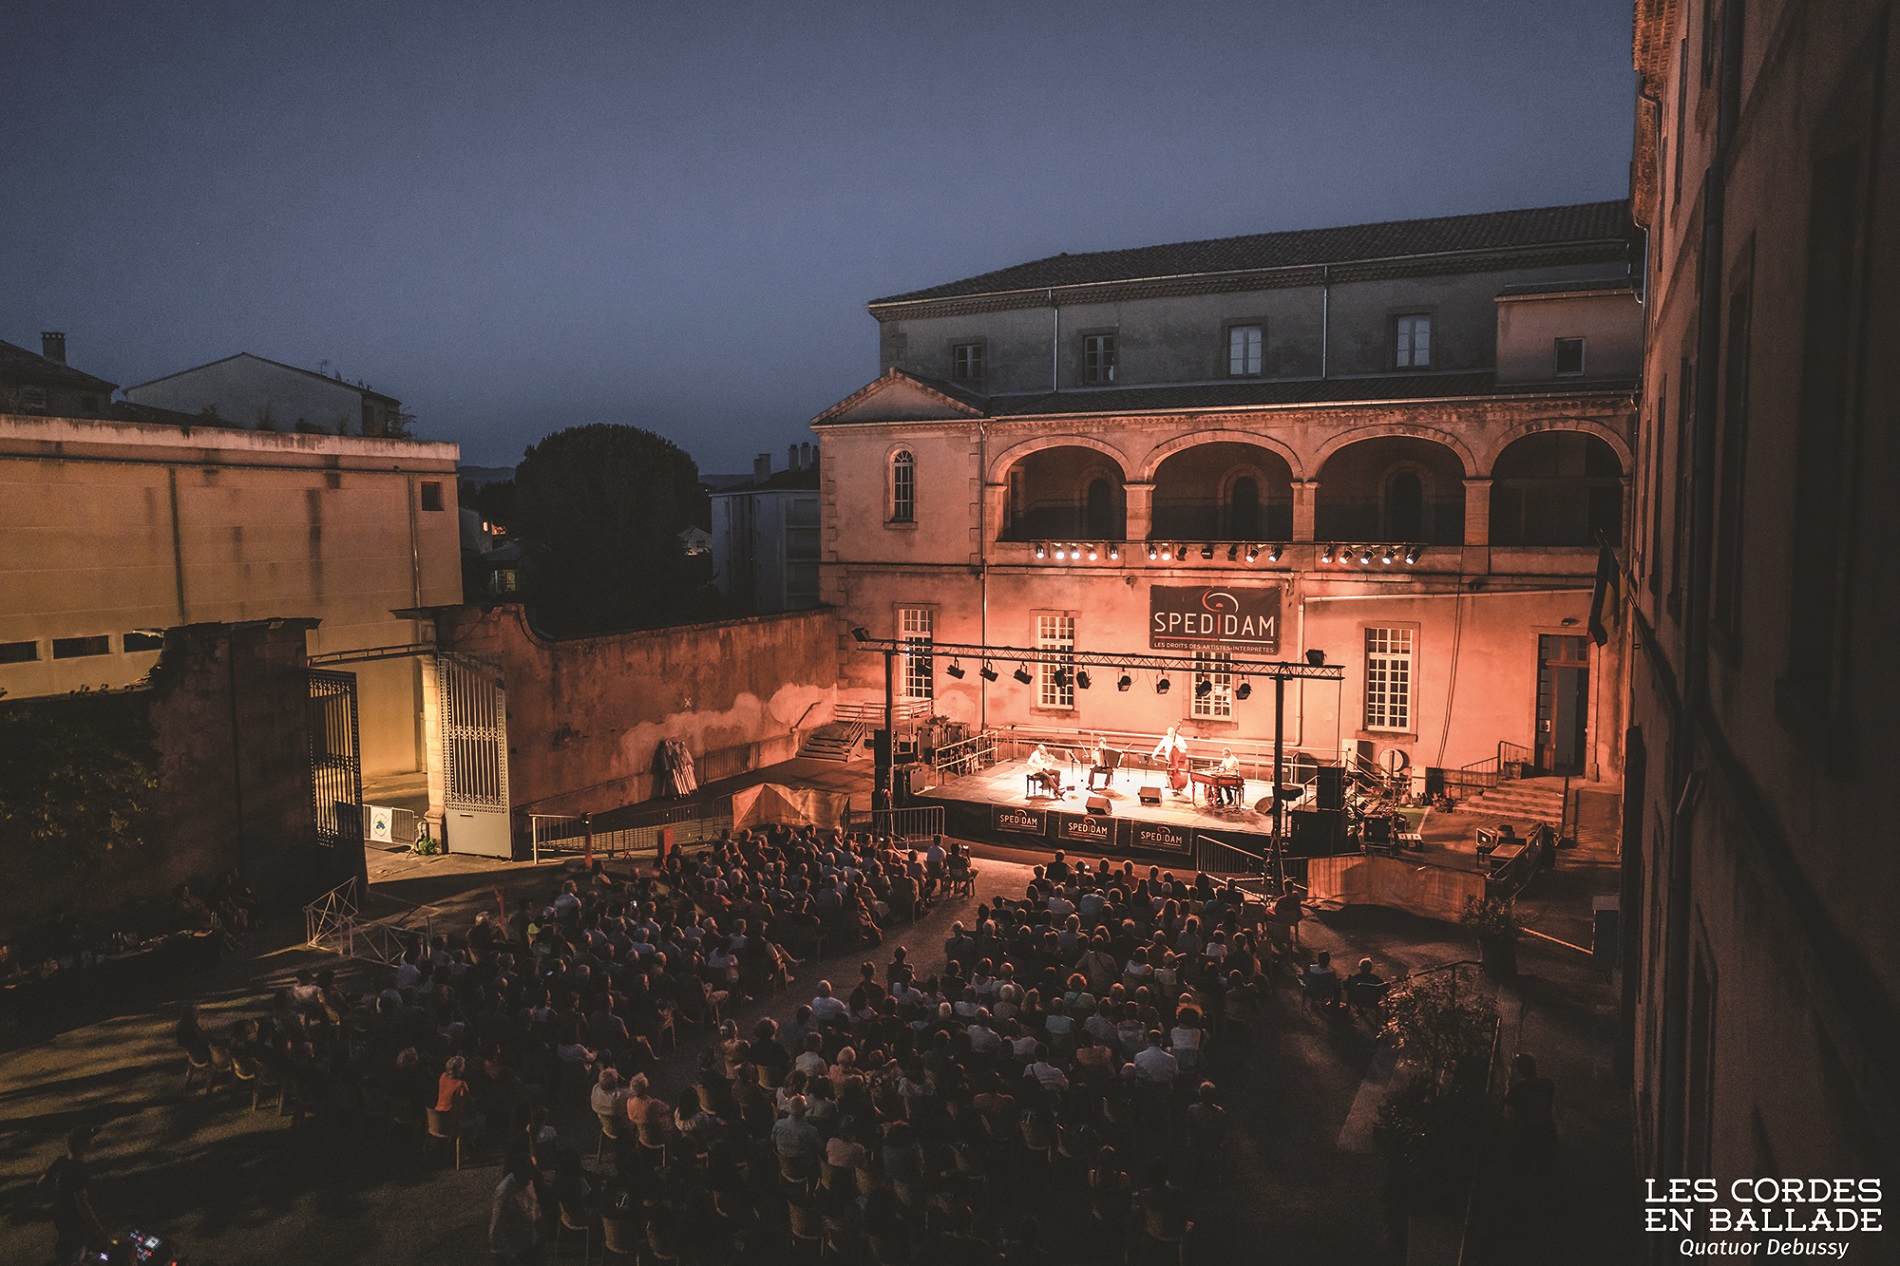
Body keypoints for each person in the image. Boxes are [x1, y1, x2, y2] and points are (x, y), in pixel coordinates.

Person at [38, 1125, 107, 1262]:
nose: (92, 1143)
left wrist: (58, 1198)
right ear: (83, 1146)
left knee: (69, 1250)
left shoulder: (61, 1161)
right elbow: (82, 1205)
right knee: (75, 1254)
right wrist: (98, 1229)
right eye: (89, 1140)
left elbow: (41, 1183)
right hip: (76, 1224)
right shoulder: (79, 1171)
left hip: (61, 1217)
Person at [489, 1148, 542, 1263]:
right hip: (512, 1249)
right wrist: (511, 1253)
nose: (534, 1170)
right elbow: (498, 1226)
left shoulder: (527, 1181)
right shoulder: (505, 1193)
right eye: (530, 1167)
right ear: (520, 1170)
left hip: (528, 1240)